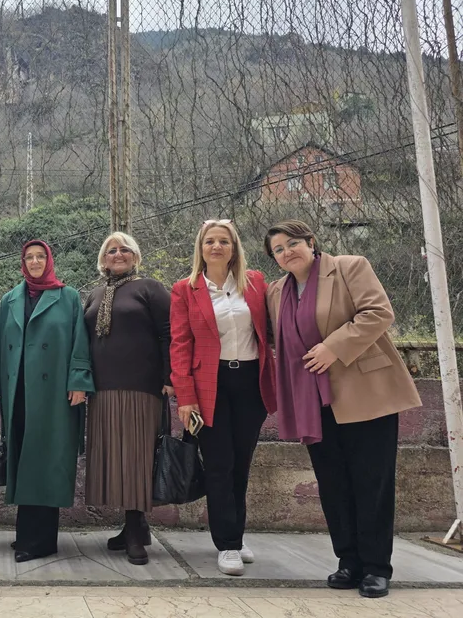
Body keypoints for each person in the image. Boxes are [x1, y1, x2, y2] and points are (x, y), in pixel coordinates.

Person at [264, 220, 421, 599]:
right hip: (312, 401)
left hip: (366, 394)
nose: (287, 252)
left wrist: (333, 347)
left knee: (372, 481)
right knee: (333, 483)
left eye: (293, 243)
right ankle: (349, 562)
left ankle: (376, 568)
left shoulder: (350, 267)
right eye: (278, 250)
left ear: (311, 242)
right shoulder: (276, 291)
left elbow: (378, 312)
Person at [170, 219, 276, 577]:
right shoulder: (185, 289)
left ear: (234, 248)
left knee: (241, 464)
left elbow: (270, 332)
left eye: (224, 241)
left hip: (250, 382)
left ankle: (236, 534)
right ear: (200, 248)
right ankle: (227, 544)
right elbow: (180, 345)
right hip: (208, 385)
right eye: (210, 241)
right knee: (219, 464)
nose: (216, 247)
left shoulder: (255, 283)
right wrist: (185, 398)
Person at [0, 240, 93, 562]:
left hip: (54, 395)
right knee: (24, 459)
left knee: (47, 461)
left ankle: (40, 540)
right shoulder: (10, 299)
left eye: (40, 256)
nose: (34, 262)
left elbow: (80, 341)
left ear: (49, 261)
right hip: (18, 392)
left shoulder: (68, 297)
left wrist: (79, 382)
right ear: (23, 262)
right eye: (29, 257)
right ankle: (27, 535)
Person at [83, 232, 172, 566]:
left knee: (136, 457)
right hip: (103, 389)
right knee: (115, 458)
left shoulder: (150, 288)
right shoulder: (95, 294)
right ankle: (134, 525)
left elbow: (169, 333)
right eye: (111, 250)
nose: (117, 254)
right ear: (103, 259)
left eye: (124, 249)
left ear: (135, 256)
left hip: (142, 387)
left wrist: (170, 377)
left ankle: (135, 531)